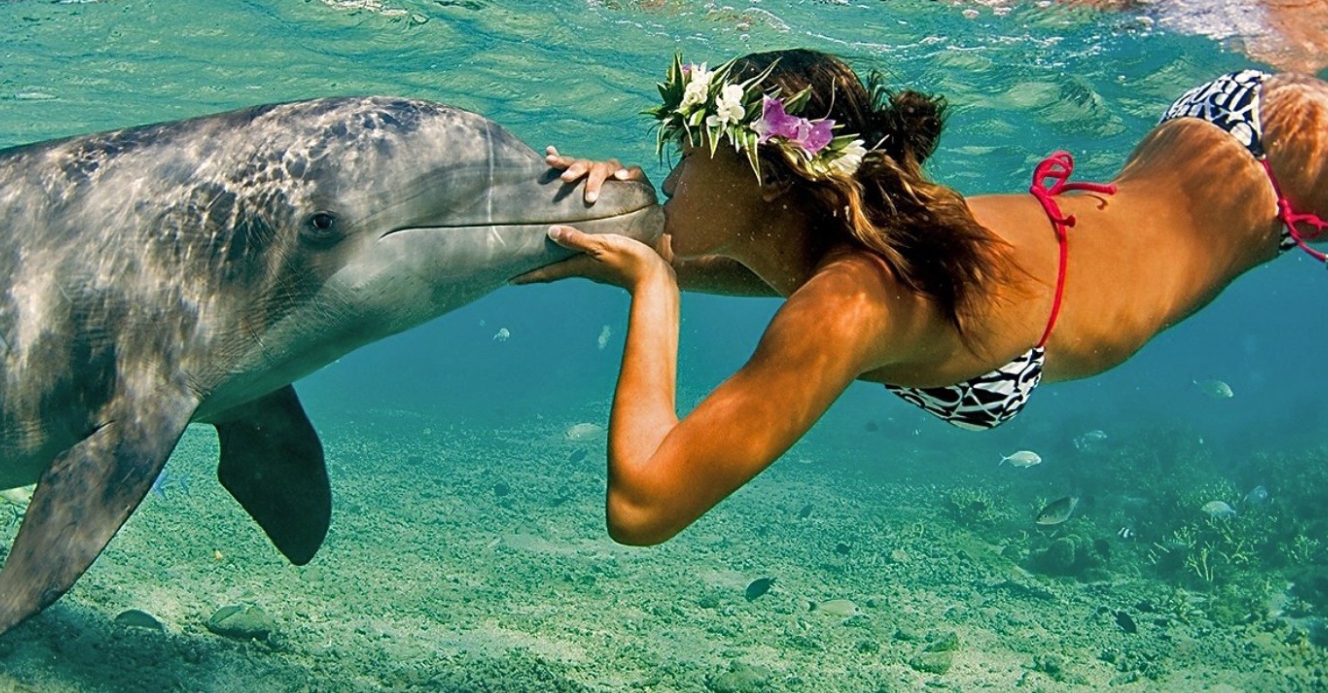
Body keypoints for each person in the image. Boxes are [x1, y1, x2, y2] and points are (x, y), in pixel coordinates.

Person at [514, 50, 1328, 545]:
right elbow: (725, 251)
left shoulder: (850, 304)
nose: (674, 171)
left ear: (770, 182)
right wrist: (610, 223)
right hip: (1216, 136)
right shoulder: (835, 230)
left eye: (689, 151)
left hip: (1278, 167)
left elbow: (643, 505)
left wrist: (653, 286)